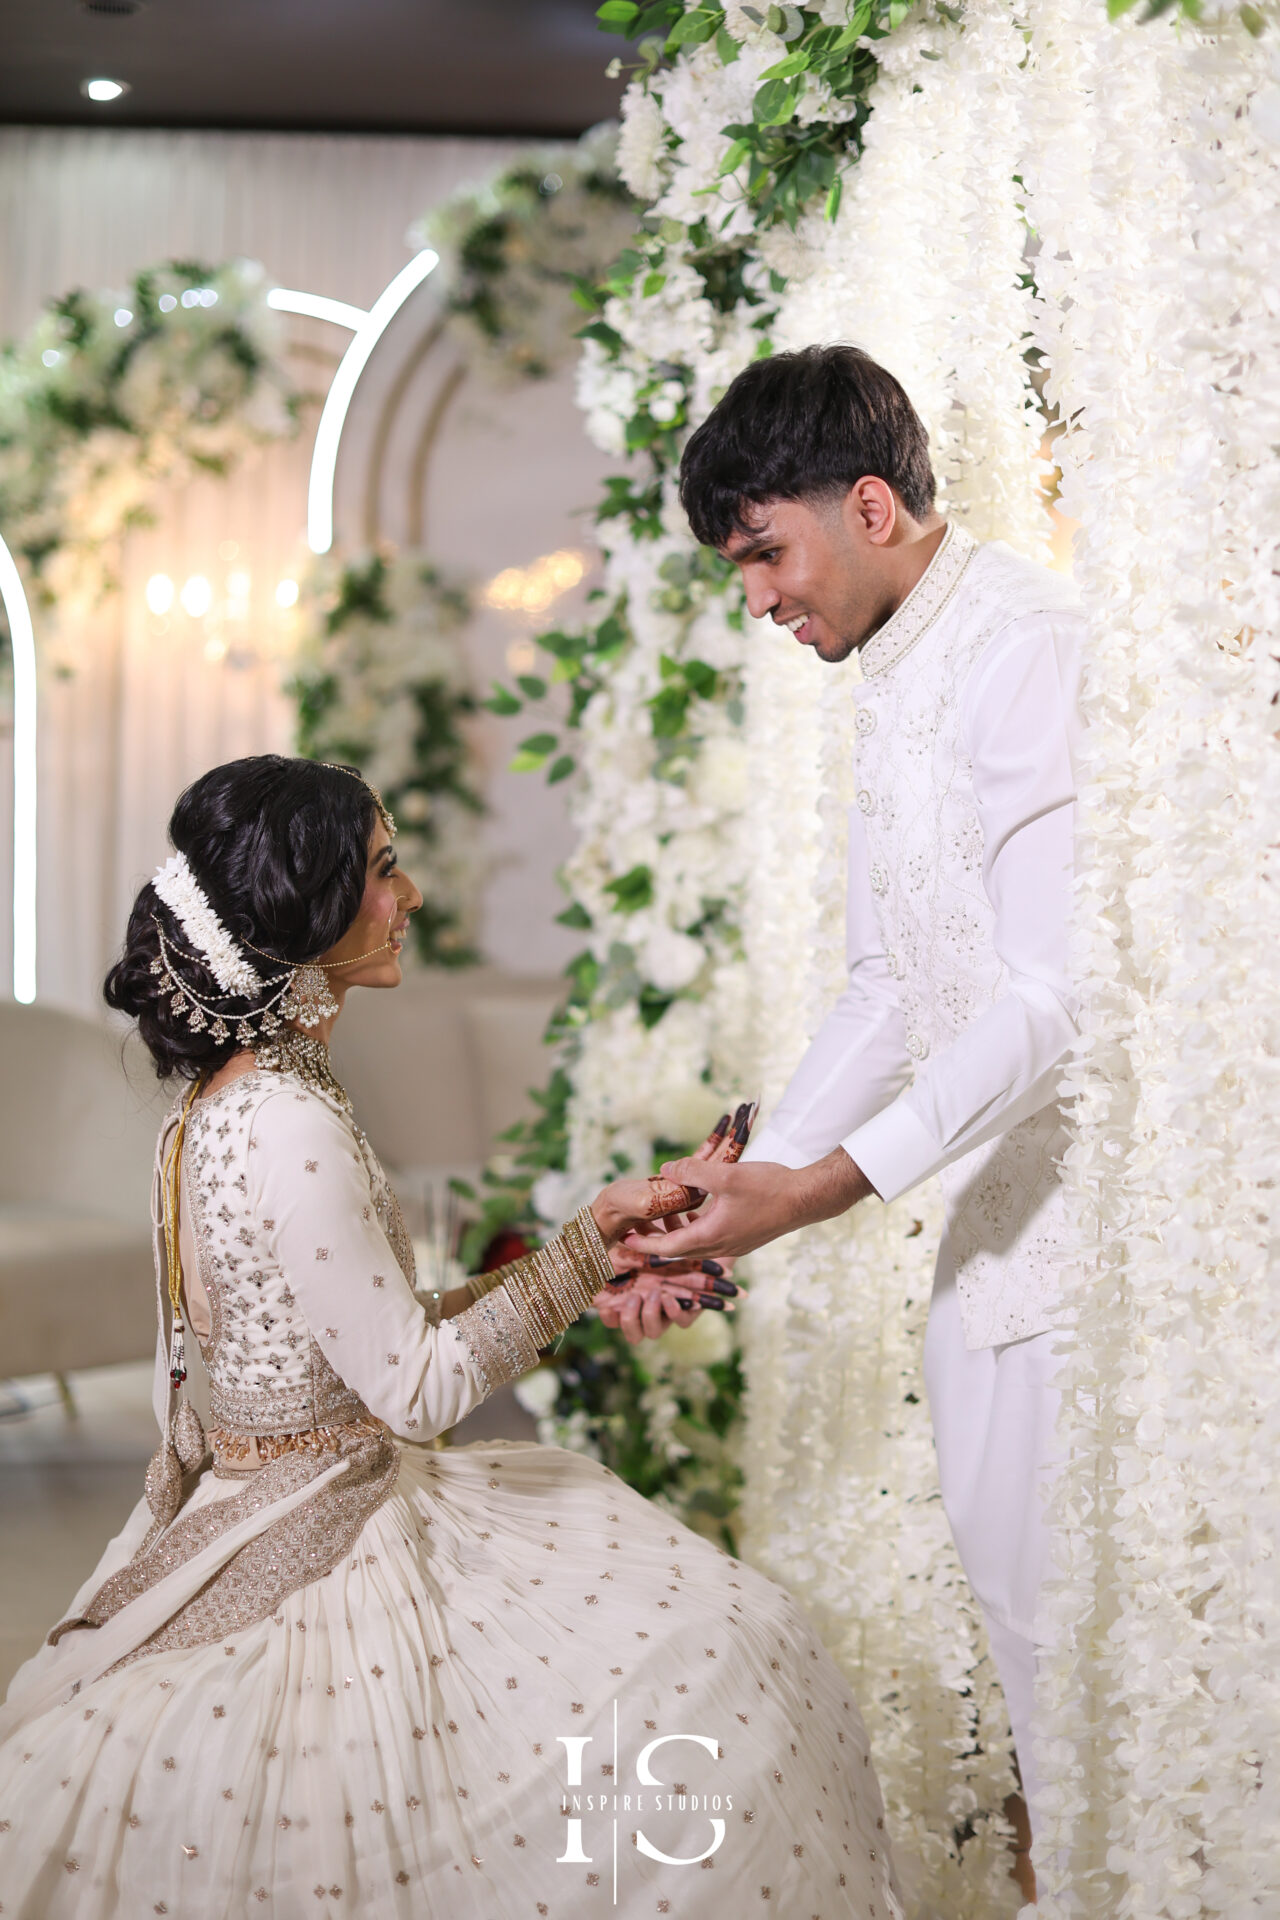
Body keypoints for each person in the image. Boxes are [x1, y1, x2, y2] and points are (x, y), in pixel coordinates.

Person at [0, 755, 902, 1920]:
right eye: (382, 870)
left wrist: (601, 1264)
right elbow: (415, 1392)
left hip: (274, 1487)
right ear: (303, 909)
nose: (410, 895)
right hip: (330, 1522)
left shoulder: (227, 1101)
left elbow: (359, 1342)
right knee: (722, 1649)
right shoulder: (284, 1122)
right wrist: (582, 1244)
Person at [646, 345, 1084, 1891]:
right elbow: (892, 983)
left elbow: (1051, 992)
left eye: (765, 552)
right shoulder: (894, 672)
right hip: (993, 1204)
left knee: (1076, 1651)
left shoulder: (1024, 645)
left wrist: (824, 1187)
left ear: (876, 508)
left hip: (1090, 1223)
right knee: (1028, 1634)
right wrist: (730, 1200)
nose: (758, 599)